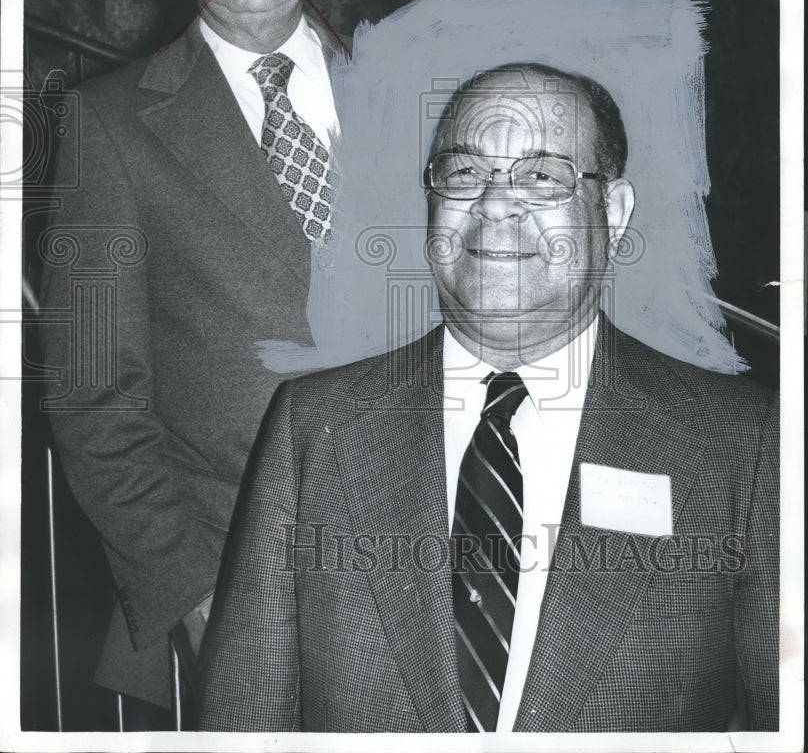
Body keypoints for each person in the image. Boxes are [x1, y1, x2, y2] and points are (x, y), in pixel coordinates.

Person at [198, 62, 778, 732]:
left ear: (612, 214)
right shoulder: (315, 427)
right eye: (465, 174)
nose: (496, 203)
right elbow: (244, 722)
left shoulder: (743, 442)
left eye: (541, 176)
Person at [38, 0, 349, 714]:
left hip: (430, 581)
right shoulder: (107, 124)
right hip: (238, 598)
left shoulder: (411, 90)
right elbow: (92, 394)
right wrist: (195, 595)